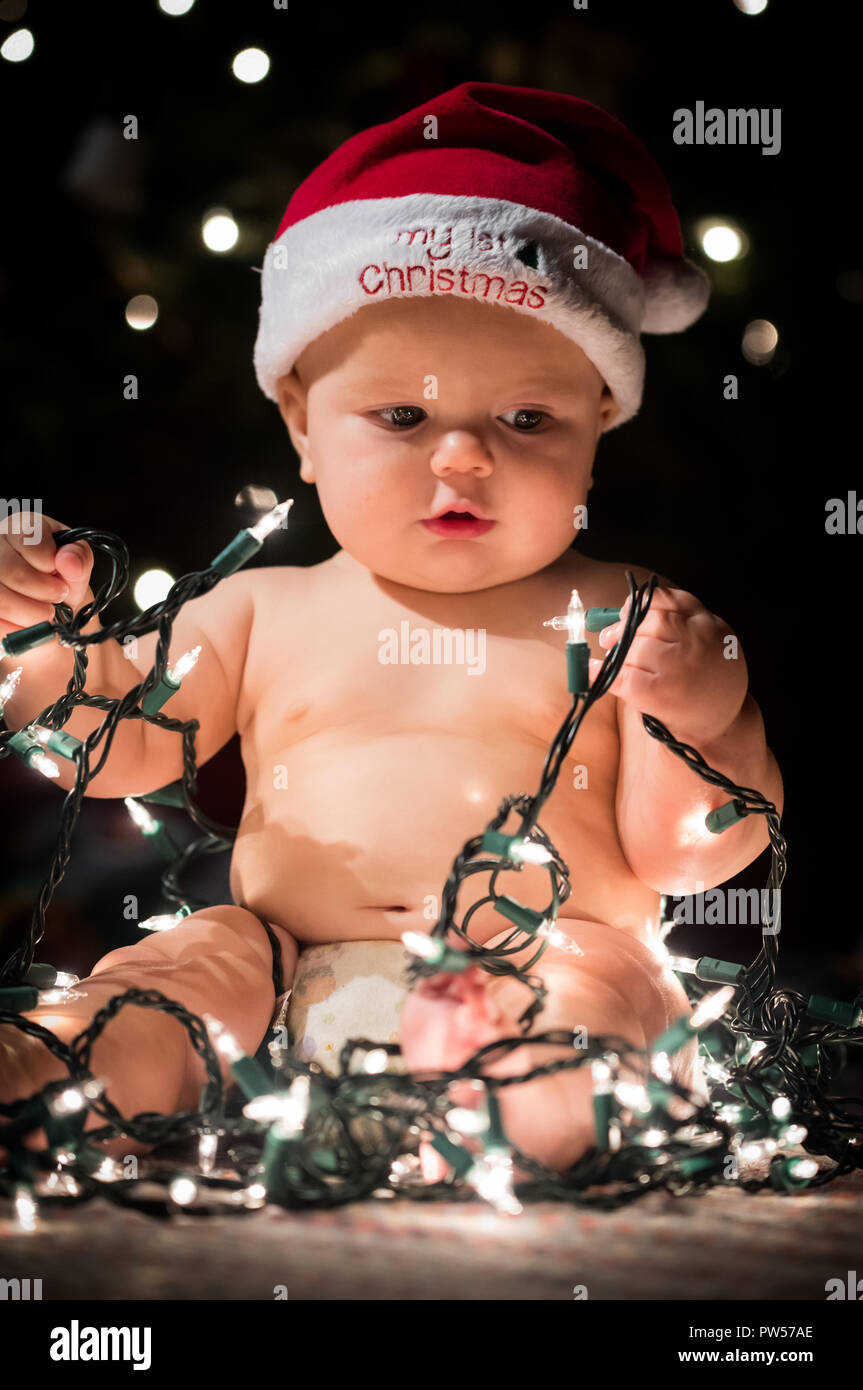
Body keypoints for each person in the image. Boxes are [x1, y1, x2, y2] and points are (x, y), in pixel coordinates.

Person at [0, 82, 782, 1176]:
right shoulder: (262, 607)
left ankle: (519, 1084)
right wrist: (44, 636)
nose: (461, 458)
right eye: (402, 417)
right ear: (301, 425)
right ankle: (49, 1080)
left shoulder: (625, 615)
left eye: (524, 419)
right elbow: (106, 746)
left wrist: (701, 711)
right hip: (276, 979)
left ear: (597, 427)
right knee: (173, 971)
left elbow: (694, 855)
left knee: (601, 987)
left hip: (540, 957)